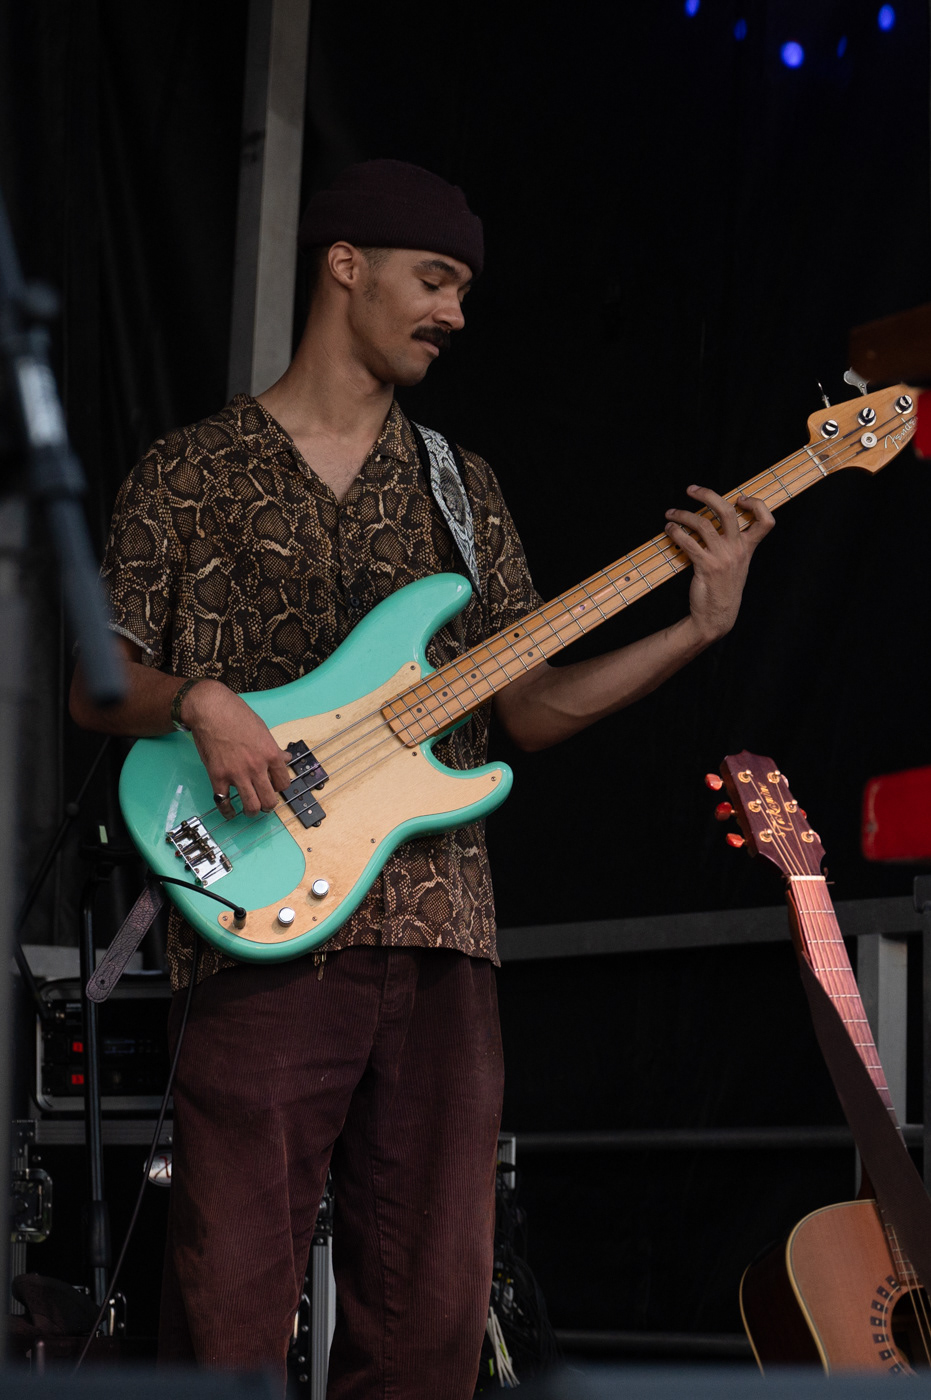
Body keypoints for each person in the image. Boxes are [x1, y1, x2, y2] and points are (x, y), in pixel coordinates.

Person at [70, 160, 774, 1397]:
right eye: (435, 279)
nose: (453, 312)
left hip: (445, 936)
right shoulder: (189, 470)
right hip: (257, 925)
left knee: (430, 1318)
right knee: (229, 1297)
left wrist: (696, 629)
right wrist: (199, 698)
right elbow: (95, 679)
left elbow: (529, 706)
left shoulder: (462, 484)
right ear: (345, 263)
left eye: (463, 292)